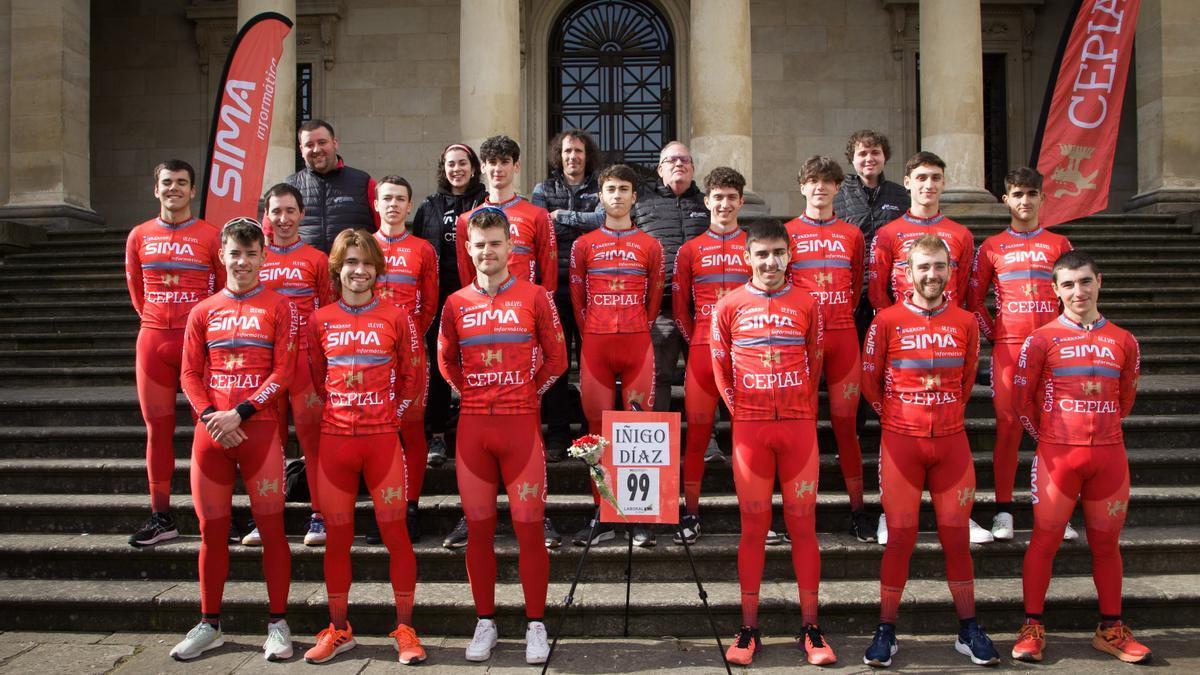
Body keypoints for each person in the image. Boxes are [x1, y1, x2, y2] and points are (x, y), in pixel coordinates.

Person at [860, 235, 998, 668]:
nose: (932, 275)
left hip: (952, 443)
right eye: (923, 267)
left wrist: (944, 415)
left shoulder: (966, 322)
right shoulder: (886, 320)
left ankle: (968, 628)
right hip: (901, 443)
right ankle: (886, 628)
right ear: (907, 272)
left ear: (951, 271)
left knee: (956, 538)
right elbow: (870, 381)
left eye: (940, 266)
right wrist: (899, 418)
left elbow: (969, 372)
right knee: (899, 539)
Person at [438, 208, 567, 665]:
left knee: (530, 531)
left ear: (511, 247)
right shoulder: (454, 303)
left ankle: (536, 625)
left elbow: (557, 358)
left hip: (521, 426)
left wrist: (527, 392)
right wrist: (470, 393)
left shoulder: (536, 296)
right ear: (468, 249)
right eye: (480, 244)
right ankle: (486, 622)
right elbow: (446, 361)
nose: (488, 251)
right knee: (478, 531)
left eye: (496, 243)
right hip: (474, 427)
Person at [1011, 251, 1148, 664]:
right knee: (1045, 541)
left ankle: (1110, 629)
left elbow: (1125, 400)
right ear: (1054, 291)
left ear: (1099, 282)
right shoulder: (1041, 339)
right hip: (1058, 456)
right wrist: (1052, 438)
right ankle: (1032, 627)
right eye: (1068, 285)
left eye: (1085, 282)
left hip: (1109, 456)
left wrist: (1098, 431)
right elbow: (1023, 402)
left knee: (1106, 544)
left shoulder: (1124, 340)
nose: (1078, 292)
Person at [170, 217, 296, 661]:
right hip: (212, 436)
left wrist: (240, 412)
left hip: (258, 431)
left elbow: (283, 371)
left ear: (263, 256)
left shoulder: (279, 307)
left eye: (250, 253)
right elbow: (188, 372)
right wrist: (210, 417)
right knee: (212, 532)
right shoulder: (202, 311)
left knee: (272, 531)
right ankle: (209, 624)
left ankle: (278, 624)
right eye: (234, 253)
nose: (242, 262)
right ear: (221, 255)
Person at [711, 219, 832, 666]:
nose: (770, 261)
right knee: (753, 530)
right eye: (761, 253)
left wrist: (799, 405)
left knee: (803, 526)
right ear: (747, 257)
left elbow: (814, 361)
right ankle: (748, 629)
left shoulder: (808, 303)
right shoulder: (728, 305)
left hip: (797, 427)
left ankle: (811, 628)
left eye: (778, 252)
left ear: (789, 255)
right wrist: (741, 412)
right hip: (751, 430)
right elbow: (721, 366)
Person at [303, 229, 425, 665]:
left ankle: (406, 629)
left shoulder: (396, 317)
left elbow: (412, 378)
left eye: (367, 263)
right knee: (337, 539)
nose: (359, 271)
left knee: (396, 536)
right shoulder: (320, 321)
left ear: (378, 268)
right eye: (351, 263)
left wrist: (389, 416)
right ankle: (339, 629)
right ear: (338, 268)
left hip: (382, 444)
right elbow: (318, 378)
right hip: (336, 443)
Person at [868, 151, 989, 545]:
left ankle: (958, 512)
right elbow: (876, 289)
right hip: (901, 340)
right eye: (921, 177)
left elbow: (971, 291)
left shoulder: (962, 234)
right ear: (907, 182)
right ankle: (892, 513)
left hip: (950, 336)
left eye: (936, 177)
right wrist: (896, 326)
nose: (929, 185)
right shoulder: (887, 234)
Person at [966, 167, 1074, 542]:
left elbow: (1073, 295)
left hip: (1053, 350)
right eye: (1017, 194)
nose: (1024, 201)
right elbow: (974, 299)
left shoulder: (1060, 244)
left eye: (1031, 194)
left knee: (1054, 430)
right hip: (1009, 350)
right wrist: (994, 332)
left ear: (1042, 199)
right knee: (1009, 429)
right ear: (1006, 200)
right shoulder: (993, 246)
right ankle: (1003, 511)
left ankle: (1057, 511)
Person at [124, 159, 224, 547]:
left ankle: (218, 514)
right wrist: (157, 320)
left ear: (193, 191)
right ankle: (161, 515)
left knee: (212, 427)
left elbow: (219, 291)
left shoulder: (211, 235)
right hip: (153, 340)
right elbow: (137, 291)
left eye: (182, 183)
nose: (174, 189)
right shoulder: (138, 235)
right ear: (156, 188)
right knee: (158, 431)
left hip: (197, 343)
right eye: (167, 182)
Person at [567, 164, 665, 548]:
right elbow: (577, 301)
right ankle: (604, 515)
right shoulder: (584, 245)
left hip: (637, 343)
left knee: (638, 433)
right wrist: (592, 330)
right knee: (597, 438)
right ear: (601, 195)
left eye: (625, 189)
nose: (618, 195)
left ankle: (640, 519)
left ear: (634, 196)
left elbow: (654, 299)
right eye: (611, 188)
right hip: (596, 345)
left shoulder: (651, 245)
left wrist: (636, 324)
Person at [784, 156, 871, 541]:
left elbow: (856, 289)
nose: (820, 187)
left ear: (838, 188)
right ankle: (796, 512)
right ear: (802, 187)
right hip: (800, 339)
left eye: (827, 182)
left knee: (845, 426)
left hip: (842, 335)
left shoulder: (853, 234)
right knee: (799, 428)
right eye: (812, 181)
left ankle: (858, 510)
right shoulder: (787, 233)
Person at [671, 166, 751, 544]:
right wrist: (697, 341)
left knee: (747, 438)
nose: (724, 203)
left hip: (747, 357)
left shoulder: (753, 246)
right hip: (702, 354)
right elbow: (680, 308)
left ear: (741, 201)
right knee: (698, 436)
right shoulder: (690, 250)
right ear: (706, 202)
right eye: (717, 197)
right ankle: (691, 512)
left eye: (731, 197)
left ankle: (754, 513)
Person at [254, 183, 334, 547]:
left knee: (313, 443)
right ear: (266, 216)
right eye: (276, 212)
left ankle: (320, 516)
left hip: (304, 361)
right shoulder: (255, 258)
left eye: (290, 211)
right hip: (265, 363)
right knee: (269, 444)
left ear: (302, 214)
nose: (283, 219)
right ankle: (266, 516)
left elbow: (328, 314)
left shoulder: (317, 259)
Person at [413, 143, 487, 472]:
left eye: (462, 163)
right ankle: (439, 434)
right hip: (440, 299)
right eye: (450, 164)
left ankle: (479, 429)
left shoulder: (487, 203)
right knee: (441, 367)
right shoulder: (429, 206)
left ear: (474, 167)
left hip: (479, 297)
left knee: (480, 363)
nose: (456, 169)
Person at [372, 175, 438, 542]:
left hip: (410, 353)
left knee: (411, 430)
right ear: (376, 205)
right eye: (387, 198)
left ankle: (410, 506)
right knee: (377, 432)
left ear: (409, 206)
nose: (393, 205)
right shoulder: (361, 245)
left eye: (400, 199)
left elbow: (428, 305)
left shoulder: (423, 249)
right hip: (367, 355)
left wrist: (408, 334)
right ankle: (383, 508)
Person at [532, 128, 605, 459]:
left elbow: (605, 220)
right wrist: (582, 223)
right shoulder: (542, 189)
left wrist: (564, 217)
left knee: (591, 364)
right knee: (559, 363)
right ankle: (559, 434)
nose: (572, 157)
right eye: (566, 152)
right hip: (556, 284)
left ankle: (591, 432)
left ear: (587, 154)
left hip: (594, 285)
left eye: (578, 151)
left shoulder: (602, 185)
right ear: (557, 156)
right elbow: (541, 229)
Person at [631, 142, 710, 426]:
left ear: (692, 168)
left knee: (703, 376)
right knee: (659, 375)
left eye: (685, 160)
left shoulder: (708, 204)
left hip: (700, 308)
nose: (679, 164)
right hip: (661, 307)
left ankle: (708, 439)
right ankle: (658, 437)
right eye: (672, 160)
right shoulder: (640, 205)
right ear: (660, 168)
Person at [454, 135, 556, 292]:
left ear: (516, 166)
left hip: (524, 305)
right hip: (484, 307)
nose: (498, 169)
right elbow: (467, 275)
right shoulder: (465, 220)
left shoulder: (538, 215)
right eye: (492, 162)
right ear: (483, 167)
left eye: (505, 162)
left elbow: (549, 272)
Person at [284, 119, 379, 252]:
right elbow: (269, 234)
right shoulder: (289, 187)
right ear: (301, 150)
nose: (316, 149)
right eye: (309, 145)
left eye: (322, 142)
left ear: (335, 143)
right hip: (304, 270)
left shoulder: (364, 182)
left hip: (353, 270)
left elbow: (384, 230)